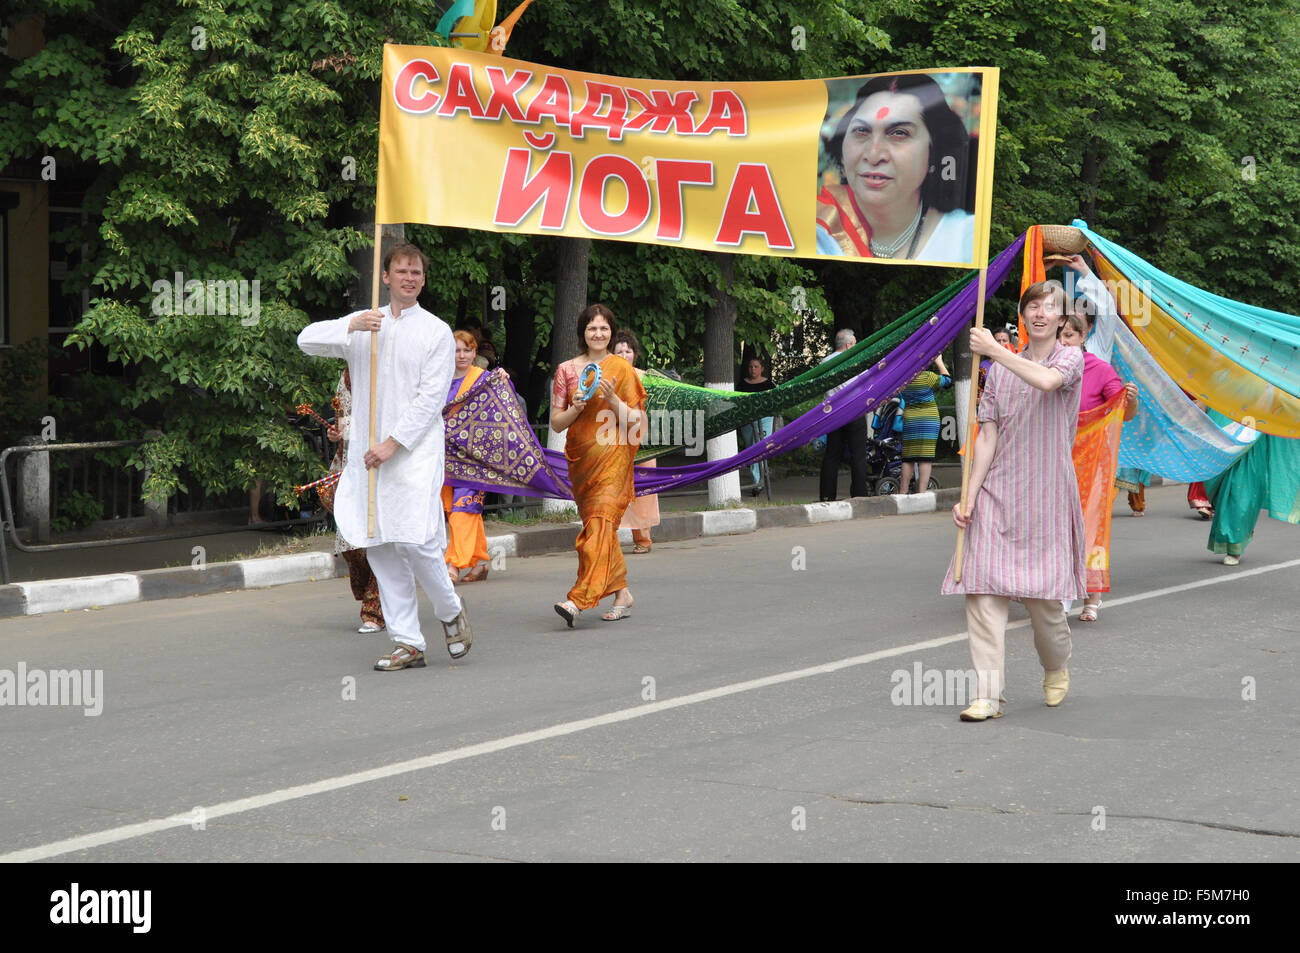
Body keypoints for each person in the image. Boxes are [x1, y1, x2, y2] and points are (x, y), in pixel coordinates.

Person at [297, 242, 471, 671]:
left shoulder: (435, 331)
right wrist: (353, 324)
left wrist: (393, 443)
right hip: (366, 456)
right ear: (387, 277)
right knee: (378, 543)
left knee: (416, 538)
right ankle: (408, 642)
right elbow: (305, 340)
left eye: (416, 272)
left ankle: (449, 610)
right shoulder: (365, 324)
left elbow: (432, 398)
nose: (409, 278)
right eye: (401, 271)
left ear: (423, 280)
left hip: (413, 452)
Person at [942, 280, 1085, 722]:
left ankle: (1056, 665)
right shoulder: (1000, 370)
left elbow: (1045, 382)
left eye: (1050, 308)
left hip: (1045, 495)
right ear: (1023, 316)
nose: (1040, 313)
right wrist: (968, 495)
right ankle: (988, 694)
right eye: (1033, 306)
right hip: (998, 493)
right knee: (982, 593)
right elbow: (988, 434)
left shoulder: (1070, 357)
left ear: (1062, 319)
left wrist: (994, 351)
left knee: (1043, 604)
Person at [550, 304, 647, 625]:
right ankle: (622, 593)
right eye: (592, 328)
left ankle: (579, 599)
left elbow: (636, 420)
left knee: (601, 524)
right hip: (582, 462)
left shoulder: (620, 369)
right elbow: (556, 424)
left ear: (612, 332)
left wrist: (612, 400)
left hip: (613, 459)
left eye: (604, 328)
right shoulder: (566, 371)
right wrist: (576, 408)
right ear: (583, 333)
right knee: (597, 527)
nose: (598, 333)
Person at [816, 74, 975, 262]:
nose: (873, 155)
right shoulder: (816, 230)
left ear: (935, 150)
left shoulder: (965, 239)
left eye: (899, 133)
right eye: (861, 131)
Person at [1058, 308, 1138, 622]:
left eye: (1069, 336)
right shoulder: (1044, 368)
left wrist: (1129, 399)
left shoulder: (1100, 370)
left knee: (1090, 528)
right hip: (1054, 460)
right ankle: (1058, 592)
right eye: (1059, 335)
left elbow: (1125, 413)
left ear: (1083, 337)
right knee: (1057, 529)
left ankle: (1093, 595)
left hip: (1091, 465)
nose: (1063, 342)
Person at [321, 369, 386, 633]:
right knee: (349, 541)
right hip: (349, 468)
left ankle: (375, 610)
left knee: (380, 542)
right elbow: (341, 420)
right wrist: (336, 434)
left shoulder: (388, 372)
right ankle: (374, 593)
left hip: (382, 467)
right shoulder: (346, 376)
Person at [441, 331, 492, 584]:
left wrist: (504, 380)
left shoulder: (484, 379)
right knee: (460, 510)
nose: (461, 355)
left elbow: (504, 409)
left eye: (466, 350)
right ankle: (481, 561)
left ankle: (452, 565)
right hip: (445, 457)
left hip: (475, 459)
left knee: (463, 508)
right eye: (456, 350)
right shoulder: (438, 380)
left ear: (474, 353)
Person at [612, 329, 660, 554]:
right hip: (612, 441)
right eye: (619, 351)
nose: (624, 354)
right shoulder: (605, 377)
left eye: (628, 351)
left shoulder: (646, 377)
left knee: (643, 490)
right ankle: (606, 540)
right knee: (611, 490)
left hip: (643, 442)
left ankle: (643, 539)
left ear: (634, 354)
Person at [818, 328, 870, 501]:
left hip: (832, 414)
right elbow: (866, 383)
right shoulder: (855, 361)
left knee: (832, 455)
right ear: (848, 345)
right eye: (854, 344)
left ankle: (827, 496)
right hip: (854, 412)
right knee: (858, 456)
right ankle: (859, 495)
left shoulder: (825, 362)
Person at [899, 355, 951, 494]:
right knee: (925, 458)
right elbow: (947, 381)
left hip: (910, 418)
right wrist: (939, 361)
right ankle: (921, 492)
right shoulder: (927, 377)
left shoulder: (902, 380)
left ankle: (903, 492)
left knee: (908, 457)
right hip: (928, 419)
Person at [737, 356, 776, 493]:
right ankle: (759, 478)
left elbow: (774, 402)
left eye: (756, 366)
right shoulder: (742, 385)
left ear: (762, 369)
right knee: (750, 450)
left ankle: (757, 484)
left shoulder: (769, 385)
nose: (753, 369)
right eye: (750, 367)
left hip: (764, 420)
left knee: (758, 448)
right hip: (747, 422)